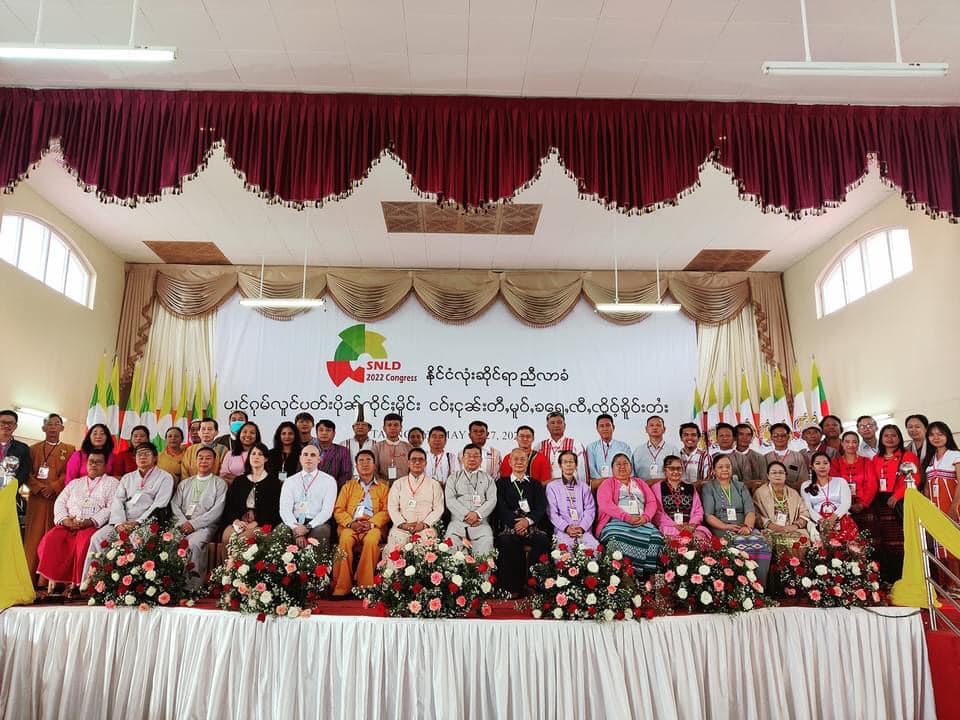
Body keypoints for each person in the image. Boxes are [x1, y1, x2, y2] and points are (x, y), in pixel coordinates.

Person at [81, 442, 175, 585]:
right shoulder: (127, 478)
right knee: (97, 538)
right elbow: (117, 501)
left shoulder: (165, 477)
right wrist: (119, 523)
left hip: (147, 522)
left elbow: (159, 504)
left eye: (146, 453)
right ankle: (92, 582)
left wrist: (138, 522)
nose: (142, 457)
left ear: (155, 457)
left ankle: (130, 584)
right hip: (122, 521)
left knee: (135, 538)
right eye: (139, 454)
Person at [35, 450, 119, 598]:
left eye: (98, 462)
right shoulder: (75, 483)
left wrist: (90, 521)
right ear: (86, 464)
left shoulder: (112, 483)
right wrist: (65, 520)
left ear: (105, 466)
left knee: (84, 542)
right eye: (91, 462)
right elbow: (60, 502)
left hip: (93, 525)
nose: (94, 465)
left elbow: (111, 507)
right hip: (69, 523)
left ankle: (80, 584)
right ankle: (58, 582)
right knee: (51, 539)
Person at [701, 454, 771, 583]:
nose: (725, 469)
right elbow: (708, 515)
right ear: (713, 470)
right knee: (735, 543)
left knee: (761, 542)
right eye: (720, 467)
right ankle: (739, 586)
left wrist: (747, 527)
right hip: (721, 527)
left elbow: (750, 510)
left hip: (743, 526)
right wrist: (726, 526)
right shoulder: (709, 487)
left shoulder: (740, 486)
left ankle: (759, 585)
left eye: (728, 466)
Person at [24, 413, 74, 584]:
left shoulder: (70, 449)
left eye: (56, 424)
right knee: (33, 536)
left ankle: (47, 580)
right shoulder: (33, 449)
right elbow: (27, 473)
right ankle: (28, 577)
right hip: (37, 499)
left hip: (57, 499)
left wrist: (53, 487)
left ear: (62, 428)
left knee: (52, 536)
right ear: (43, 428)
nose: (53, 427)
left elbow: (69, 473)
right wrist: (39, 488)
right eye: (49, 424)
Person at [332, 449, 390, 597]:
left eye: (368, 460)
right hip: (351, 525)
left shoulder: (383, 487)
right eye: (361, 461)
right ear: (356, 466)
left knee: (371, 541)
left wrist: (371, 523)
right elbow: (338, 510)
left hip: (373, 526)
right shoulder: (348, 486)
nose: (365, 464)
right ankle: (342, 587)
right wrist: (350, 523)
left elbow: (387, 511)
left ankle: (365, 587)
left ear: (374, 465)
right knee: (345, 540)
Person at [495, 448, 551, 596]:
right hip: (510, 526)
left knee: (542, 540)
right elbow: (501, 507)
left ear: (527, 462)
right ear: (509, 462)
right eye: (516, 459)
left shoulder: (535, 484)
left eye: (523, 459)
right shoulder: (501, 483)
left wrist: (527, 521)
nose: (519, 462)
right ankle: (513, 588)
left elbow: (541, 507)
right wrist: (516, 524)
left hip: (532, 526)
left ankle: (535, 585)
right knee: (507, 542)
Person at [596, 453, 665, 573]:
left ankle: (648, 575)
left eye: (625, 463)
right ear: (612, 468)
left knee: (656, 538)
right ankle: (624, 574)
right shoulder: (607, 483)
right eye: (618, 464)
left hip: (642, 521)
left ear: (631, 467)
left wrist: (645, 517)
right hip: (616, 522)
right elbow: (605, 504)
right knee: (615, 537)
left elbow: (651, 501)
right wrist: (626, 517)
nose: (622, 466)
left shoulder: (639, 482)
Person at [171, 446, 227, 587]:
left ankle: (192, 588)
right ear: (195, 461)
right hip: (182, 524)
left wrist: (193, 524)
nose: (204, 461)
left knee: (194, 544)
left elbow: (217, 510)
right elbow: (175, 505)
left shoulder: (219, 483)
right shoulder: (185, 483)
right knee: (169, 541)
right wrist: (183, 522)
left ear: (214, 462)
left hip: (206, 526)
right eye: (200, 458)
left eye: (208, 458)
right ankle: (170, 585)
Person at [869, 425, 918, 582]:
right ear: (881, 438)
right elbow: (872, 481)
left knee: (900, 542)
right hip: (880, 503)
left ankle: (904, 577)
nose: (890, 439)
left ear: (899, 437)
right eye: (886, 435)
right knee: (883, 541)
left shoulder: (907, 455)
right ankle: (888, 578)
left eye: (894, 435)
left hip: (899, 502)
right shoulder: (876, 458)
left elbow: (914, 479)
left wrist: (897, 496)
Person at [384, 448, 444, 556]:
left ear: (425, 463)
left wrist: (424, 524)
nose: (417, 462)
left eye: (421, 459)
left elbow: (438, 509)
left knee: (424, 553)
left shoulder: (434, 484)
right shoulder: (398, 483)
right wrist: (403, 524)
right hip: (401, 528)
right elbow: (392, 507)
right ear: (408, 463)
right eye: (413, 459)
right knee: (395, 552)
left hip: (425, 528)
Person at [922, 421, 960, 590]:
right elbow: (926, 488)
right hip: (935, 510)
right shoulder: (930, 459)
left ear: (947, 435)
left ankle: (957, 584)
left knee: (954, 544)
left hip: (953, 507)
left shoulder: (955, 455)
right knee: (939, 547)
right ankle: (947, 584)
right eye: (932, 434)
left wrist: (953, 507)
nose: (936, 437)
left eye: (940, 434)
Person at [220, 442, 282, 543]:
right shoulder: (239, 480)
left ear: (266, 459)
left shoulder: (273, 482)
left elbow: (274, 509)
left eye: (260, 454)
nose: (256, 457)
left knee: (243, 539)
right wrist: (236, 521)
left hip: (261, 524)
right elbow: (230, 505)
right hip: (239, 522)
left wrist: (256, 523)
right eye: (253, 454)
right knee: (227, 536)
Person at [278, 445, 336, 549]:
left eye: (313, 455)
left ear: (319, 459)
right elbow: (285, 510)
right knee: (280, 531)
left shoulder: (329, 481)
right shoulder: (290, 481)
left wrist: (308, 527)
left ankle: (317, 561)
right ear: (300, 458)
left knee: (322, 531)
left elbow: (327, 511)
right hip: (294, 521)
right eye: (305, 455)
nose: (309, 458)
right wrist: (297, 530)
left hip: (317, 523)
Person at [445, 444, 497, 554]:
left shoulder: (488, 479)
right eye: (468, 455)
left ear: (481, 460)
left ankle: (481, 566)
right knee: (451, 544)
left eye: (476, 456)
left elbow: (492, 500)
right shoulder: (453, 478)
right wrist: (466, 515)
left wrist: (477, 514)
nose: (472, 459)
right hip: (457, 524)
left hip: (480, 524)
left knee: (486, 542)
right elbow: (450, 500)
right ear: (462, 459)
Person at [652, 455, 711, 545]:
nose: (676, 471)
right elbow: (657, 513)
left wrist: (692, 525)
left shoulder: (690, 487)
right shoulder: (656, 488)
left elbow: (698, 510)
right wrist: (675, 525)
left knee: (700, 536)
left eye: (679, 468)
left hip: (690, 527)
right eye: (672, 468)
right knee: (675, 539)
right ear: (665, 470)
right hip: (669, 527)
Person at [546, 450, 598, 550]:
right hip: (563, 530)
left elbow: (590, 510)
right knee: (563, 554)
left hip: (583, 530)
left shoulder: (584, 487)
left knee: (593, 551)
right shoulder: (552, 487)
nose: (568, 465)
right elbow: (552, 513)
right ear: (560, 465)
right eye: (565, 462)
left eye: (571, 462)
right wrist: (566, 528)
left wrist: (582, 527)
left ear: (576, 465)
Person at [802, 452, 857, 544]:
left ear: (830, 465)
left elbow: (846, 503)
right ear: (812, 467)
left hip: (840, 519)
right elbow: (808, 508)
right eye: (818, 463)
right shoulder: (805, 485)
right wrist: (822, 521)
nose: (822, 466)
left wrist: (832, 518)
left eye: (825, 463)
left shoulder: (841, 482)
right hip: (817, 522)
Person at [754, 461, 812, 547]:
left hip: (791, 529)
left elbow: (804, 512)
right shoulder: (760, 493)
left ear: (786, 475)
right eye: (774, 473)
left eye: (781, 472)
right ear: (768, 476)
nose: (778, 475)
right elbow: (755, 514)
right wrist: (770, 525)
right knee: (768, 541)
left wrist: (795, 526)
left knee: (802, 540)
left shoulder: (793, 493)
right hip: (770, 529)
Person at [830, 431, 877, 523]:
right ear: (842, 443)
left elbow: (872, 485)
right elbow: (834, 486)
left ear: (858, 444)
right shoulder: (835, 463)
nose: (851, 445)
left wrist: (862, 504)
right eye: (847, 442)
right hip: (841, 507)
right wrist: (845, 504)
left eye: (854, 442)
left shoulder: (866, 462)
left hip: (865, 506)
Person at [586, 414, 632, 490]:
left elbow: (628, 470)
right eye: (601, 426)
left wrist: (613, 482)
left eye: (607, 425)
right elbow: (591, 471)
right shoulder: (591, 447)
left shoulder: (624, 447)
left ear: (613, 427)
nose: (605, 429)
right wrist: (606, 483)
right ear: (597, 429)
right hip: (599, 485)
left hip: (619, 485)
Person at [538, 411, 587, 482]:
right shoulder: (539, 446)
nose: (556, 425)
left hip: (571, 487)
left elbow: (583, 472)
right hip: (545, 487)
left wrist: (582, 488)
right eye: (552, 423)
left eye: (559, 422)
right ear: (547, 427)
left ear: (564, 425)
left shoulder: (576, 445)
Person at [633, 415, 679, 484]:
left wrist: (654, 482)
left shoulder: (673, 450)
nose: (655, 428)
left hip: (666, 488)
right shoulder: (638, 451)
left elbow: (678, 473)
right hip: (643, 488)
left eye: (658, 425)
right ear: (646, 429)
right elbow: (633, 475)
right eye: (651, 425)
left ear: (664, 429)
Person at [764, 423, 809, 491]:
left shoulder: (798, 456)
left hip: (793, 493)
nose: (780, 438)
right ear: (771, 438)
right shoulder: (765, 458)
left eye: (783, 435)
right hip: (770, 494)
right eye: (776, 435)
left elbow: (804, 480)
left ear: (788, 437)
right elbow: (763, 480)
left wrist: (789, 490)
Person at [372, 412, 413, 482]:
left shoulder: (408, 447)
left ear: (401, 428)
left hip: (405, 485)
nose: (392, 428)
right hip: (383, 486)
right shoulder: (377, 447)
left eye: (396, 425)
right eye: (389, 425)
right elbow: (373, 469)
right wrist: (380, 483)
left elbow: (413, 469)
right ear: (384, 428)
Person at [315, 419, 353, 489]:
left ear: (334, 434)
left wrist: (332, 487)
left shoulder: (343, 451)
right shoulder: (308, 450)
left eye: (328, 430)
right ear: (316, 433)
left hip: (334, 490)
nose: (324, 433)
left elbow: (346, 474)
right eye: (321, 430)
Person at [729, 423, 767, 493]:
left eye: (748, 435)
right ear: (735, 437)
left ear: (752, 438)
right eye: (741, 434)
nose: (745, 437)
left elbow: (764, 481)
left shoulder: (759, 457)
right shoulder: (728, 457)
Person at [341, 404, 374, 477]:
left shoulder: (375, 445)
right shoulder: (343, 444)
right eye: (357, 424)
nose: (360, 427)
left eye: (364, 425)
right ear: (353, 428)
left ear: (369, 428)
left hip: (370, 480)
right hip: (349, 481)